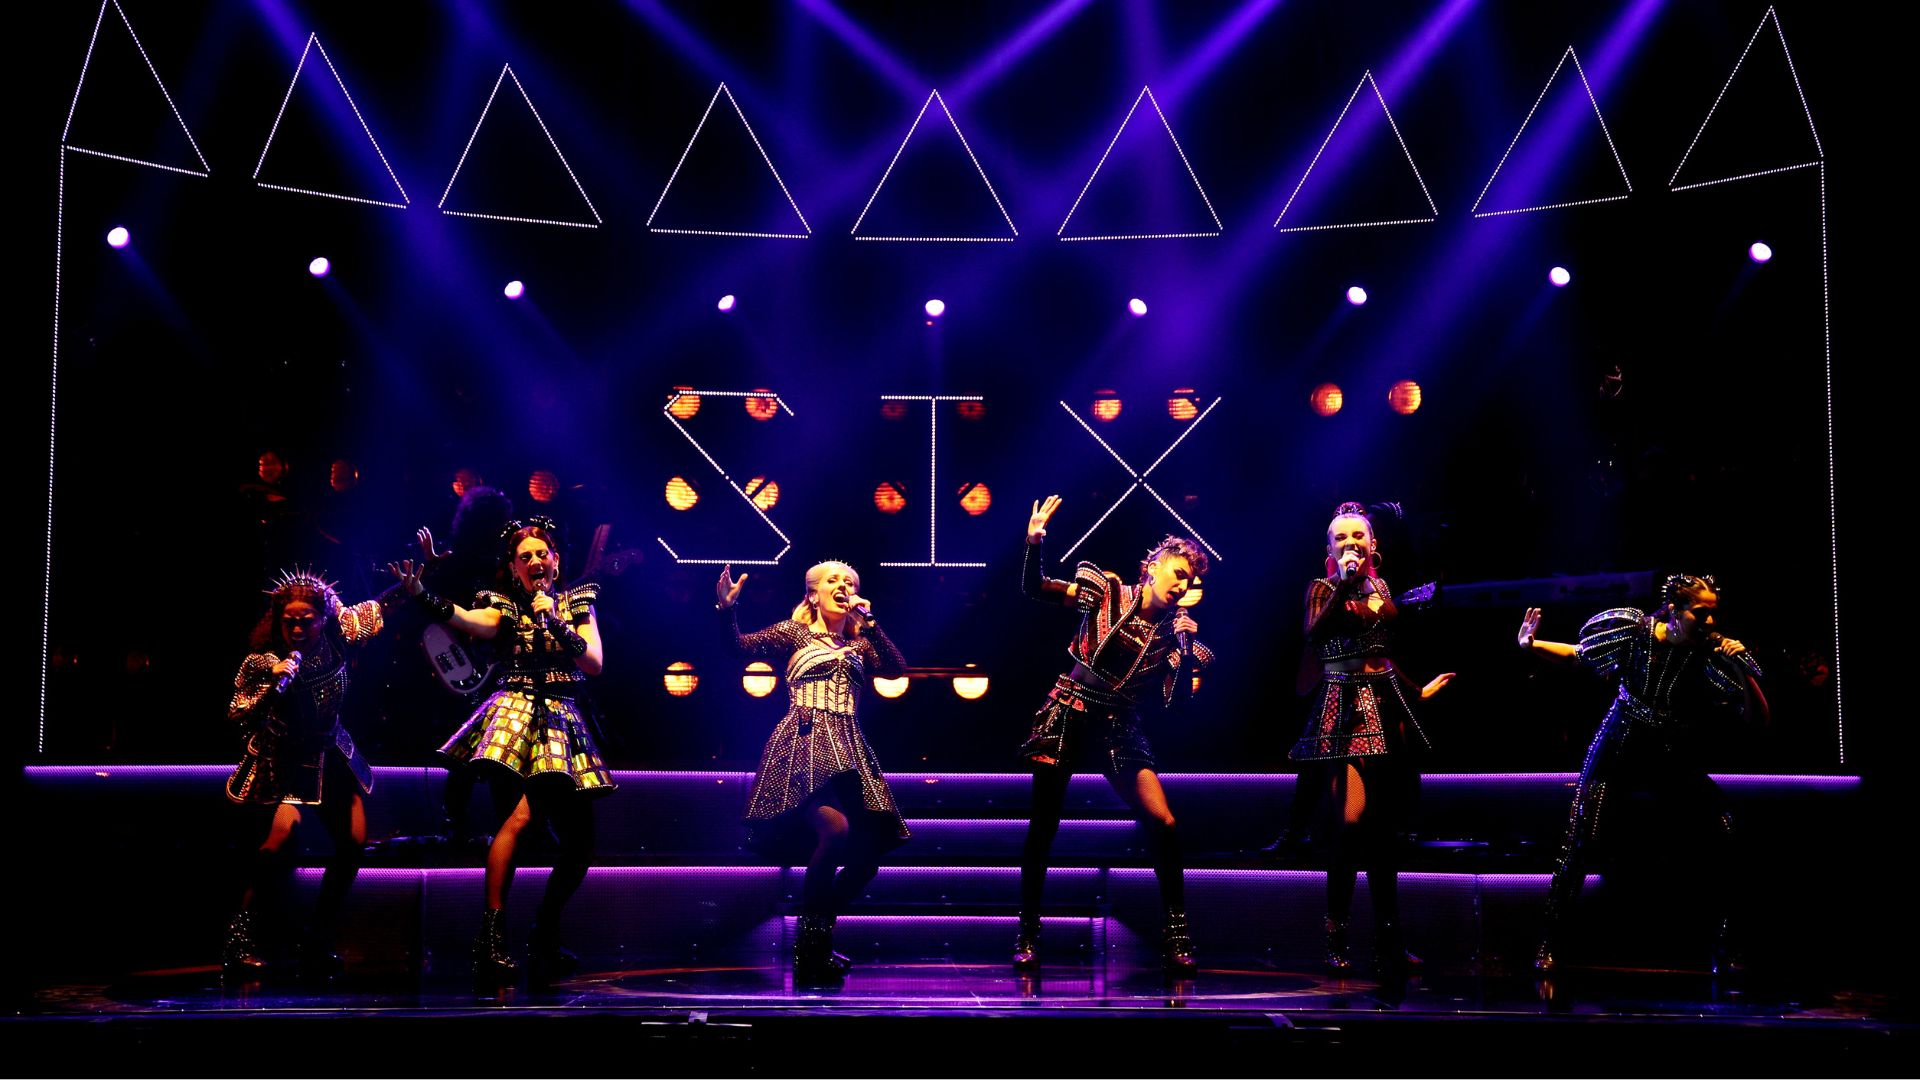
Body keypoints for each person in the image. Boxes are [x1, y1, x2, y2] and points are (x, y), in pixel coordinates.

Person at [393, 516, 610, 988]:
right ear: (513, 569)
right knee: (519, 818)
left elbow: (593, 662)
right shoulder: (505, 606)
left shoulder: (577, 603)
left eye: (541, 553)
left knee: (580, 844)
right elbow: (471, 621)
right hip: (516, 718)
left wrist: (553, 618)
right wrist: (422, 595)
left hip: (563, 717)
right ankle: (491, 940)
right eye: (524, 556)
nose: (534, 561)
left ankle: (543, 931)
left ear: (555, 561)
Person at [1518, 572, 1767, 974]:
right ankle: (1549, 943)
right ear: (1674, 610)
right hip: (1621, 742)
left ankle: (1727, 945)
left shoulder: (1710, 654)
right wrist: (1531, 644)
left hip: (1670, 751)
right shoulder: (1636, 631)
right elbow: (1578, 654)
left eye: (1713, 615)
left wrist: (1742, 669)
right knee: (1583, 836)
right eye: (1700, 614)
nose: (1709, 623)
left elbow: (1758, 720)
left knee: (1724, 829)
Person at [1015, 495, 1212, 975]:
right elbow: (1034, 589)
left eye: (1190, 580)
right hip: (1070, 708)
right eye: (1177, 573)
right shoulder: (1106, 591)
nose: (1183, 585)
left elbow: (1180, 705)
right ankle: (1028, 934)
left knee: (1163, 822)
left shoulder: (1177, 632)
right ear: (1152, 567)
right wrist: (1034, 543)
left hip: (1119, 721)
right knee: (1044, 826)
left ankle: (1177, 934)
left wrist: (1185, 657)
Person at [717, 560, 908, 988]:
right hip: (803, 741)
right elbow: (737, 647)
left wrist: (870, 621)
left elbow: (896, 668)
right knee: (835, 830)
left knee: (871, 851)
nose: (843, 586)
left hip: (849, 743)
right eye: (834, 581)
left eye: (851, 582)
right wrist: (726, 609)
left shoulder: (862, 646)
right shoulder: (794, 632)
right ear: (813, 594)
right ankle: (811, 949)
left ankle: (816, 936)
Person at [1288, 502, 1453, 975]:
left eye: (1357, 537)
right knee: (1351, 822)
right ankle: (1335, 937)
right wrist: (1343, 585)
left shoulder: (1381, 590)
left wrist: (1417, 689)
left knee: (1384, 832)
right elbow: (1314, 634)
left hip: (1384, 706)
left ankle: (1389, 940)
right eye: (1341, 539)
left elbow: (1381, 654)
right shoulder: (1322, 589)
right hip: (1343, 711)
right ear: (1329, 550)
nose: (1350, 545)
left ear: (1373, 545)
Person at [221, 569, 392, 980]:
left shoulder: (337, 641)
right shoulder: (263, 662)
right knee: (278, 840)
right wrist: (270, 688)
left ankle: (317, 937)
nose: (297, 627)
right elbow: (235, 711)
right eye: (289, 620)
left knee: (353, 844)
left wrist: (412, 585)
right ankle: (239, 941)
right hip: (283, 758)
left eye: (306, 619)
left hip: (330, 751)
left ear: (322, 619)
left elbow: (379, 609)